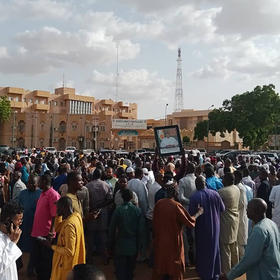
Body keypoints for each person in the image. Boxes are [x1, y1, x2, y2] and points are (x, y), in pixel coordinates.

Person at [152, 183, 203, 280]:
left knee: (162, 265)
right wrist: (198, 213)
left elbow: (154, 222)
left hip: (161, 241)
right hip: (173, 242)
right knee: (174, 267)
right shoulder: (176, 206)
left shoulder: (159, 204)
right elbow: (190, 222)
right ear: (175, 193)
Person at [221, 198, 280, 280]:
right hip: (273, 272)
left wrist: (229, 276)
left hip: (263, 275)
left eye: (249, 208)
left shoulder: (259, 230)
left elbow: (249, 259)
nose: (246, 210)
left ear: (256, 211)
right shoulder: (271, 223)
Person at [189, 176, 225, 280]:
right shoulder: (215, 193)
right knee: (215, 249)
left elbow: (191, 215)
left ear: (196, 185)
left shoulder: (194, 197)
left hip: (202, 227)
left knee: (203, 250)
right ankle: (216, 273)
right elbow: (222, 209)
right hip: (215, 225)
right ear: (205, 183)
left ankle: (205, 274)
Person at [109, 189, 144, 280]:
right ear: (132, 197)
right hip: (133, 245)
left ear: (122, 197)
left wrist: (110, 244)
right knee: (130, 271)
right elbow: (140, 231)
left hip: (120, 245)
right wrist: (139, 246)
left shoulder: (118, 210)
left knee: (120, 271)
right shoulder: (137, 211)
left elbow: (112, 229)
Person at [31, 173, 60, 280]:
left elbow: (55, 215)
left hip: (46, 234)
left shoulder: (53, 195)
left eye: (39, 181)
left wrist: (51, 233)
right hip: (38, 232)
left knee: (46, 261)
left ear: (44, 182)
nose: (37, 183)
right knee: (38, 259)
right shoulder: (43, 193)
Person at [49, 196, 86, 280]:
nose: (56, 209)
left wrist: (51, 246)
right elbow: (58, 228)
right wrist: (58, 215)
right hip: (72, 263)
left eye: (58, 207)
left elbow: (69, 251)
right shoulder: (76, 216)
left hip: (66, 266)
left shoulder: (69, 225)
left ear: (64, 207)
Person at [86, 168, 113, 261]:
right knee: (102, 236)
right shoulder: (106, 185)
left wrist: (94, 207)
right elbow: (110, 199)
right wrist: (101, 205)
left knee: (91, 236)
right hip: (103, 212)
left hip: (91, 211)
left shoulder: (88, 186)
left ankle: (89, 258)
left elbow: (86, 201)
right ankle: (105, 257)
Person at [18, 175, 41, 276]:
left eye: (33, 183)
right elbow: (19, 207)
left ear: (37, 184)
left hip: (35, 226)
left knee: (34, 249)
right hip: (23, 225)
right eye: (28, 183)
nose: (30, 185)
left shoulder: (41, 194)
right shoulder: (22, 193)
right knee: (20, 247)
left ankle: (31, 269)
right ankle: (19, 264)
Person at [218, 172, 240, 274]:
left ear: (226, 180)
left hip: (225, 221)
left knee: (225, 247)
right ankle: (236, 268)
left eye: (223, 179)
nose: (222, 181)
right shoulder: (237, 188)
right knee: (233, 244)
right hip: (235, 219)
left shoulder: (221, 192)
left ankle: (227, 272)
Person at [0, 201, 23, 280]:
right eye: (18, 220)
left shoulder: (9, 235)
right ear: (8, 220)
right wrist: (13, 243)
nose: (20, 223)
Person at [234, 170, 248, 259]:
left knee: (240, 243)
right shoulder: (237, 187)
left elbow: (241, 204)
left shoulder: (240, 188)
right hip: (237, 217)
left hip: (240, 217)